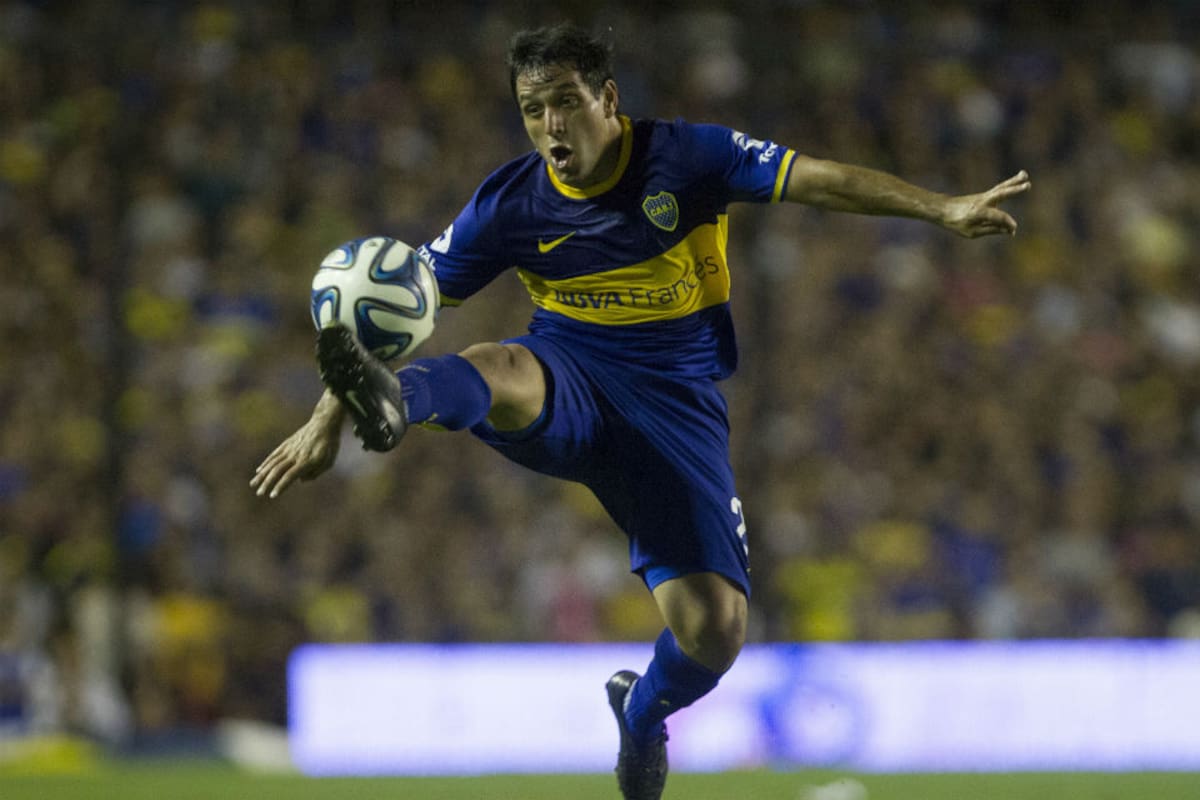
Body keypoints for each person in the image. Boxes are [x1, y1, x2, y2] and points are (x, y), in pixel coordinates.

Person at [251, 23, 1030, 800]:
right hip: (569, 375)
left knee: (715, 632)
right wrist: (329, 418)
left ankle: (642, 711)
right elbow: (396, 311)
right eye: (532, 110)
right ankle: (399, 405)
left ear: (608, 98)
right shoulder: (509, 203)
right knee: (499, 365)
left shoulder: (687, 158)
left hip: (673, 406)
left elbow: (816, 179)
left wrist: (942, 208)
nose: (550, 125)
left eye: (565, 102)